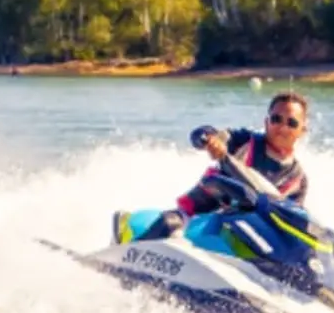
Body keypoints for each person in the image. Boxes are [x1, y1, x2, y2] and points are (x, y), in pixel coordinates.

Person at [122, 91, 311, 242]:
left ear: (302, 131)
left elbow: (292, 219)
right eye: (277, 119)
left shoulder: (298, 179)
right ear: (266, 122)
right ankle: (124, 261)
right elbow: (207, 135)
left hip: (248, 232)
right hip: (202, 213)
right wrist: (211, 141)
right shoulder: (244, 141)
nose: (283, 127)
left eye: (292, 123)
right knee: (168, 223)